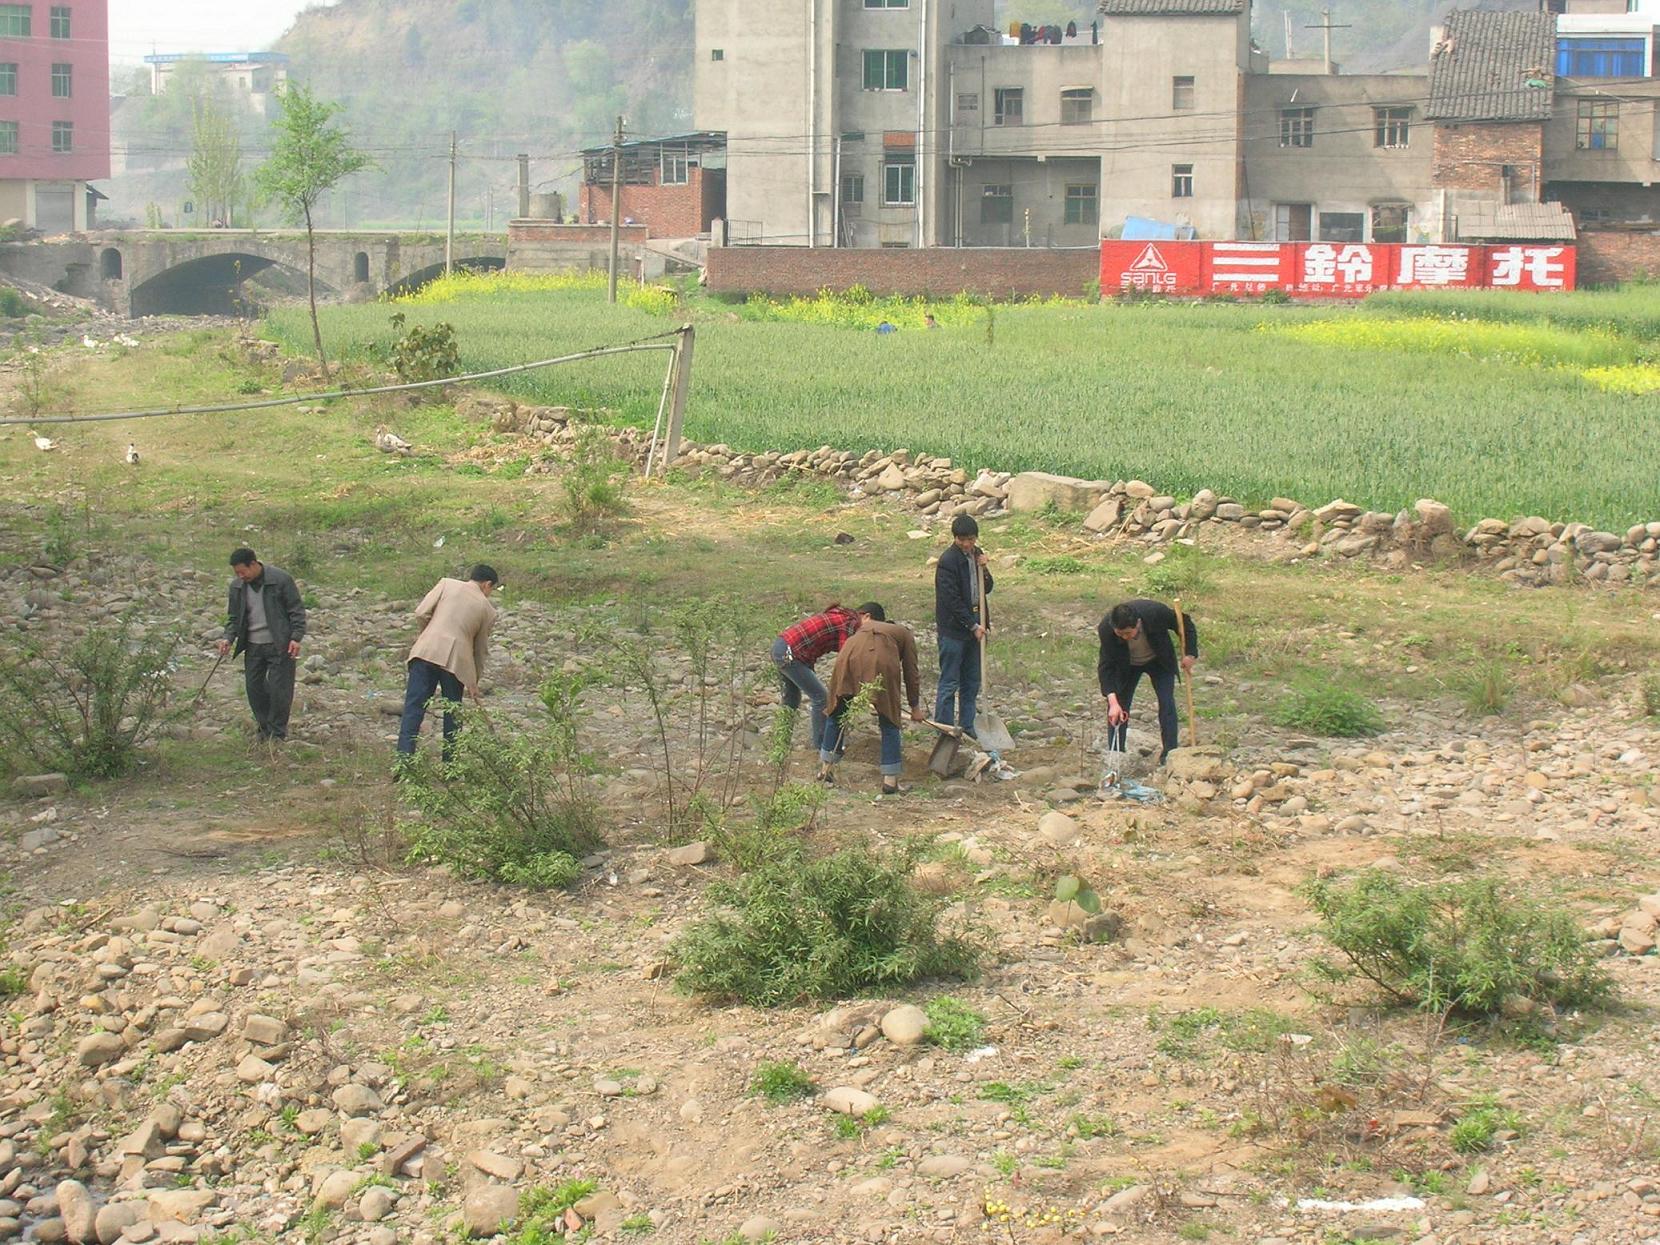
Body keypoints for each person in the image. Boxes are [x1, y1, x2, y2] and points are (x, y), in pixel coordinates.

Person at [397, 564, 500, 762]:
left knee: (413, 707)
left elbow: (421, 613)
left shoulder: (446, 584)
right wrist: (474, 681)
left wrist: (429, 634)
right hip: (456, 663)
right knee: (452, 714)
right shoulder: (487, 610)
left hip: (426, 651)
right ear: (487, 585)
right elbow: (479, 650)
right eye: (492, 589)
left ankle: (403, 762)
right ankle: (450, 766)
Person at [819, 604, 925, 796]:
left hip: (847, 654)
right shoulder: (902, 632)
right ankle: (890, 781)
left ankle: (825, 769)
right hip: (880, 660)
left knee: (837, 712)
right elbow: (911, 672)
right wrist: (915, 707)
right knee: (889, 719)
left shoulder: (856, 634)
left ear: (867, 616)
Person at [219, 548, 307, 744]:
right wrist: (228, 638)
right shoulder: (237, 587)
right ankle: (264, 727)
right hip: (253, 645)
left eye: (243, 571)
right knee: (254, 688)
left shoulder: (281, 580)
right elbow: (233, 618)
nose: (241, 576)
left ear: (253, 564)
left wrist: (296, 637)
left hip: (280, 644)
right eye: (237, 573)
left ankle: (277, 733)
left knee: (279, 690)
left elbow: (296, 610)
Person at [1096, 598, 1199, 763]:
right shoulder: (1106, 630)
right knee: (1118, 708)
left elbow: (1184, 623)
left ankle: (1169, 754)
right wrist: (1112, 701)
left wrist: (1190, 653)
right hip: (1127, 666)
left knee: (1167, 704)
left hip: (1158, 661)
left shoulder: (1155, 613)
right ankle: (1116, 756)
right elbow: (1106, 666)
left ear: (1138, 623)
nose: (1125, 637)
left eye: (1128, 633)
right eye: (1120, 634)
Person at [772, 603, 873, 751]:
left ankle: (781, 745)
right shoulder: (850, 625)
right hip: (791, 653)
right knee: (821, 698)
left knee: (792, 699)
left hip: (782, 646)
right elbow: (845, 659)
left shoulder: (844, 617)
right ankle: (820, 746)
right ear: (866, 616)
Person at [933, 514, 992, 738]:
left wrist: (984, 569)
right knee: (950, 681)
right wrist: (972, 625)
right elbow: (952, 600)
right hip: (954, 631)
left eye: (970, 539)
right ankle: (945, 728)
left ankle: (967, 725)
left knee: (972, 680)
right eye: (962, 540)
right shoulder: (947, 561)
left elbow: (987, 588)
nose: (967, 544)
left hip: (977, 627)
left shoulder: (977, 555)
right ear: (955, 538)